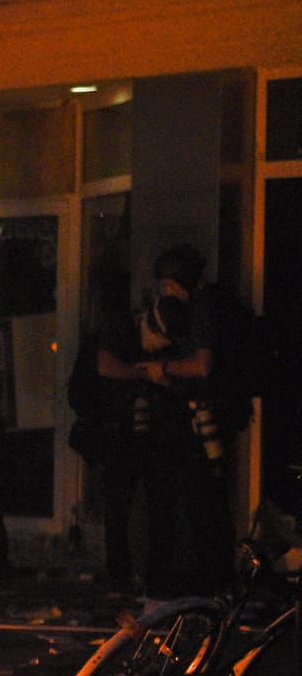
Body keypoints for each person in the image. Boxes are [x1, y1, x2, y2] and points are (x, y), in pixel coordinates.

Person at [93, 247, 236, 601]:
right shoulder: (203, 308)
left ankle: (201, 583)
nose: (167, 293)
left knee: (192, 504)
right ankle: (195, 582)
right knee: (182, 504)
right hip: (184, 423)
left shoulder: (201, 310)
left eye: (170, 285)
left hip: (189, 423)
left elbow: (200, 365)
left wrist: (162, 370)